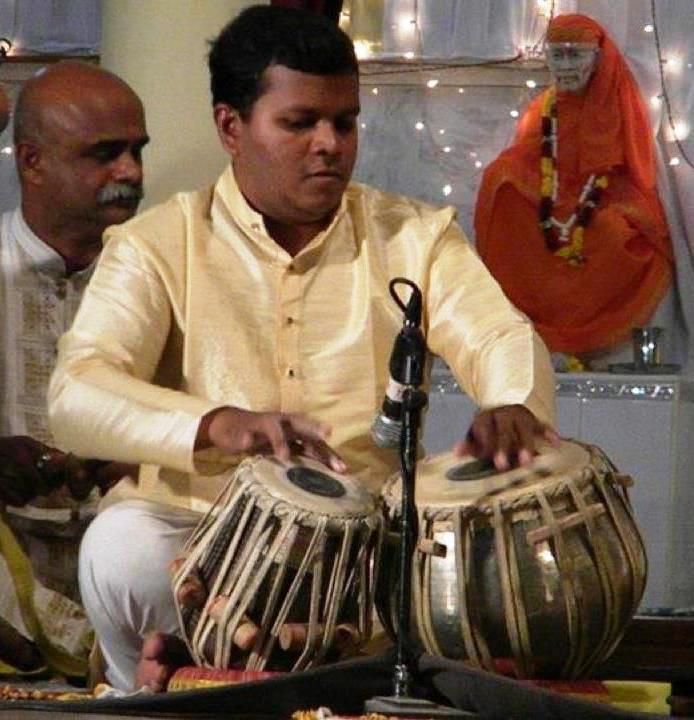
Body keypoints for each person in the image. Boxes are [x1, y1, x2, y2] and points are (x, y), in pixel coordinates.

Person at [47, 5, 556, 692]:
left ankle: (229, 672)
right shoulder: (159, 244)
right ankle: (178, 683)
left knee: (490, 564)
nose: (330, 144)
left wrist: (512, 402)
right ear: (231, 126)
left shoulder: (413, 237)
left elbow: (497, 331)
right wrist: (219, 425)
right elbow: (77, 392)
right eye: (299, 122)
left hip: (366, 556)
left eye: (344, 122)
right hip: (203, 553)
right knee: (123, 548)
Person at [0, 61, 148, 672]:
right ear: (32, 162)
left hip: (129, 558)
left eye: (137, 151)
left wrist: (140, 462)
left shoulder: (168, 277)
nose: (131, 173)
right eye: (105, 154)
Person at [474, 14, 672, 357]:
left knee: (615, 234)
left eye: (575, 55)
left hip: (601, 199)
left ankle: (582, 335)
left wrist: (585, 201)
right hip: (552, 199)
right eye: (557, 55)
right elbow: (531, 154)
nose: (565, 66)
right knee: (501, 183)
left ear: (597, 58)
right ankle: (528, 330)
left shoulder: (615, 102)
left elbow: (632, 169)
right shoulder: (545, 108)